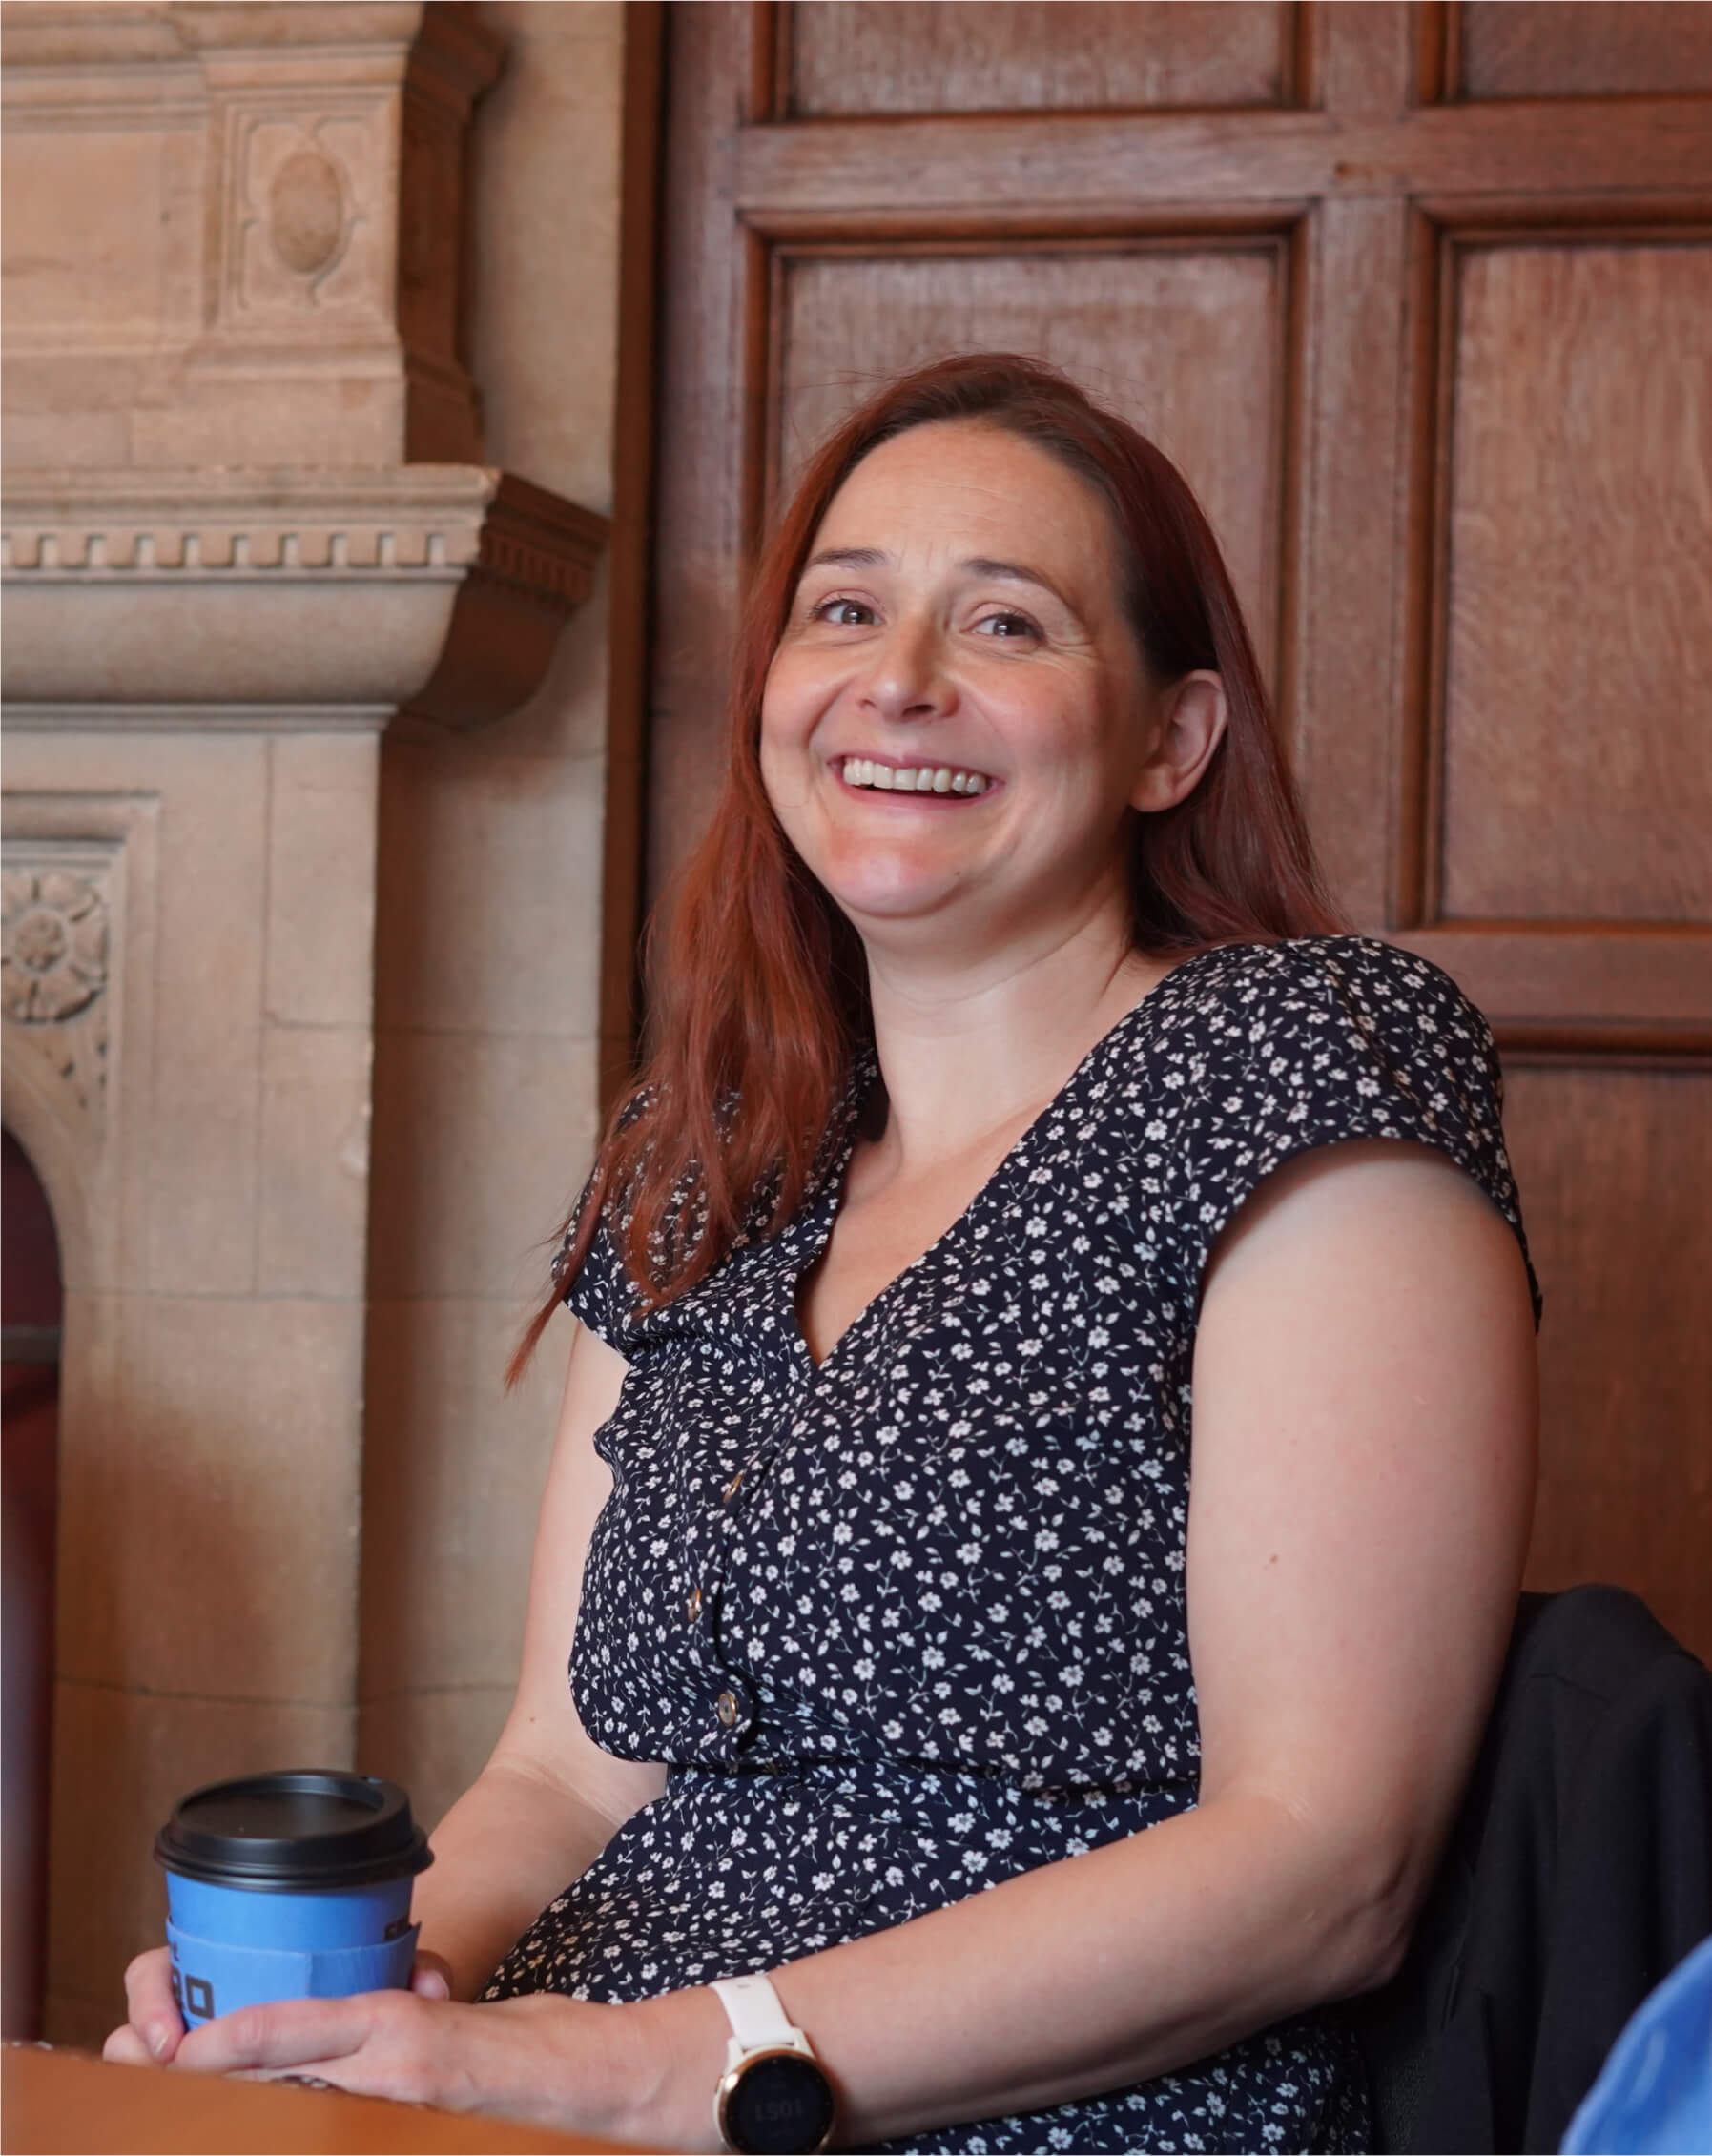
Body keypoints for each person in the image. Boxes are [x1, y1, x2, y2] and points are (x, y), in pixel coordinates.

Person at [109, 353, 1540, 2152]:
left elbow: (1327, 1862)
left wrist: (651, 2066)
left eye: (1005, 623)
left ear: (1171, 740)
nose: (900, 677)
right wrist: (365, 2009)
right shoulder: (711, 1153)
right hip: (566, 2093)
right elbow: (560, 1772)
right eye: (844, 610)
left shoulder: (1292, 1067)